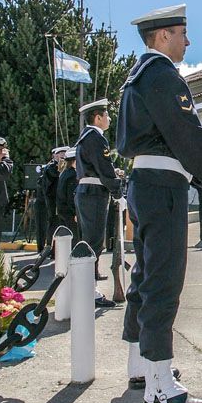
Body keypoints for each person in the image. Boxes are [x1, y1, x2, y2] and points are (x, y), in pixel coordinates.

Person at [116, 4, 202, 403]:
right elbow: (188, 136)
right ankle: (160, 388)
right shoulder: (162, 74)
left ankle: (141, 367)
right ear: (163, 35)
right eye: (182, 34)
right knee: (163, 283)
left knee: (145, 278)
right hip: (162, 186)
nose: (188, 42)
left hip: (146, 183)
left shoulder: (137, 76)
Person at [73, 99, 122, 307]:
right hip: (94, 193)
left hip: (87, 192)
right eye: (107, 115)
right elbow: (104, 168)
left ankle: (85, 287)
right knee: (93, 243)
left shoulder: (86, 137)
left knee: (88, 241)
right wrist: (117, 191)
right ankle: (89, 291)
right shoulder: (95, 138)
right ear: (98, 118)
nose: (109, 118)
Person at [36, 146, 68, 254]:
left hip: (61, 199)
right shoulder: (51, 167)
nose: (63, 157)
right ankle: (50, 248)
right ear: (55, 156)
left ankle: (57, 248)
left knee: (60, 223)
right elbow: (56, 174)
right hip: (52, 200)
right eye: (61, 155)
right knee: (53, 223)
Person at [56, 146, 78, 241]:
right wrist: (75, 213)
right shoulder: (72, 175)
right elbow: (71, 196)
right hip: (69, 212)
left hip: (62, 210)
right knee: (74, 238)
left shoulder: (65, 173)